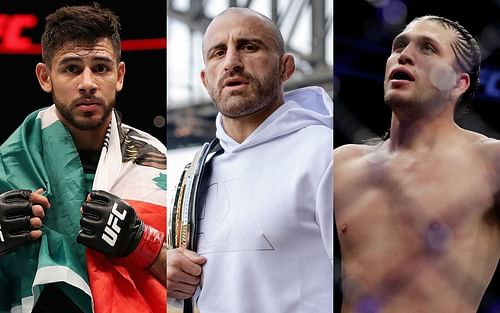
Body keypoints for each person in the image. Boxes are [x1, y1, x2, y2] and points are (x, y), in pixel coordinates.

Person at [0, 3, 167, 313]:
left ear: (119, 75)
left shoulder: (157, 162)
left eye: (101, 67)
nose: (88, 83)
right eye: (72, 68)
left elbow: (195, 280)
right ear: (45, 77)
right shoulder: (9, 162)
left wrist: (140, 242)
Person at [166, 6, 333, 313]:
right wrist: (168, 274)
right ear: (205, 79)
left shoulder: (323, 154)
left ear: (285, 68)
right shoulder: (196, 174)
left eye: (248, 46)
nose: (231, 62)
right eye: (218, 52)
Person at [334, 15, 500, 312]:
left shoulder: (491, 161)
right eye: (399, 46)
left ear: (457, 83)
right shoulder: (343, 163)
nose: (405, 55)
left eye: (427, 49)